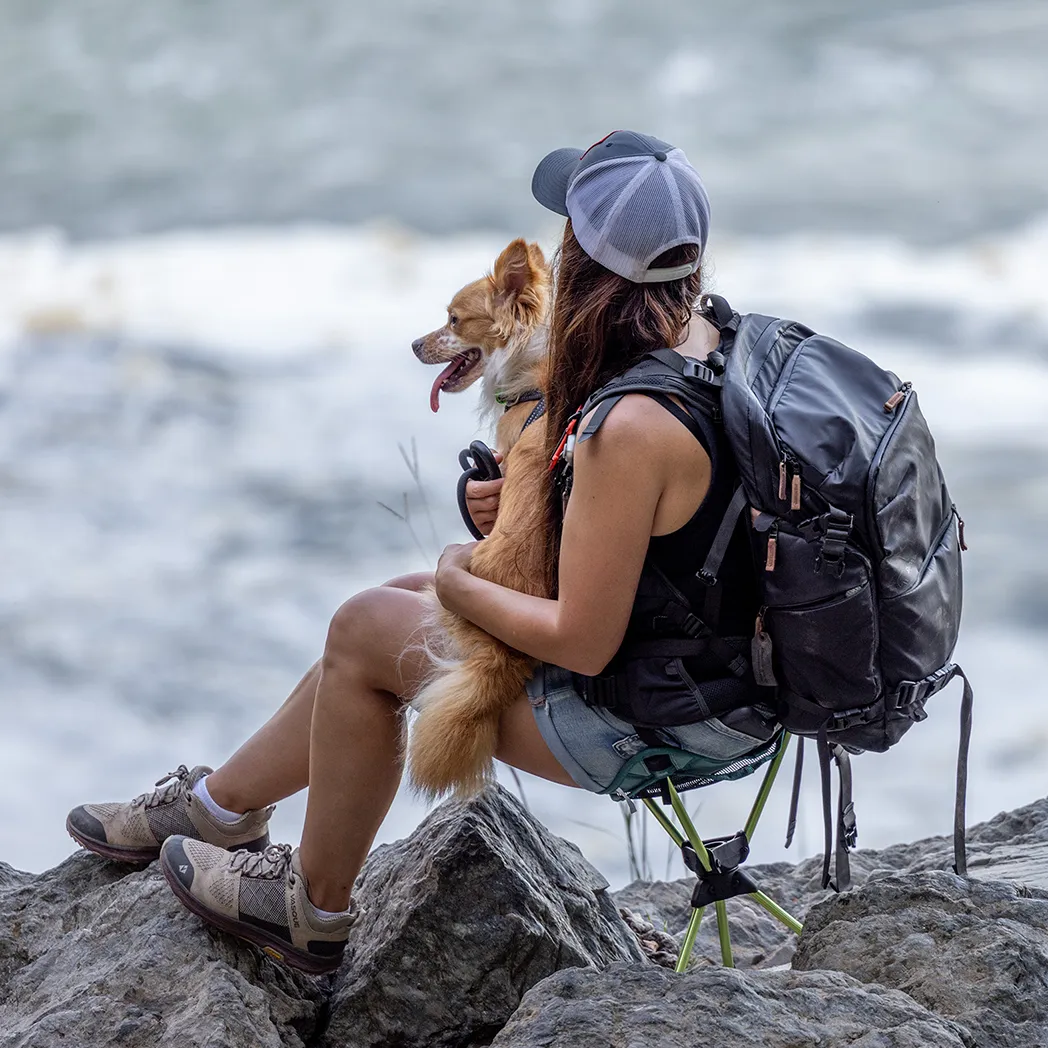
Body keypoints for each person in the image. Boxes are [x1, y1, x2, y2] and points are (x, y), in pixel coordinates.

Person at [66, 130, 772, 973]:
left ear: (590, 258)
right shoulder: (709, 340)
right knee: (399, 598)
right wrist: (513, 512)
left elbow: (582, 638)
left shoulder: (633, 425)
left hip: (660, 719)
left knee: (371, 623)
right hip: (729, 682)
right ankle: (220, 808)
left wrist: (456, 572)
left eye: (569, 231)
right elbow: (674, 540)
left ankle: (310, 906)